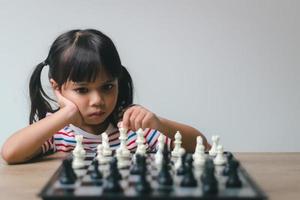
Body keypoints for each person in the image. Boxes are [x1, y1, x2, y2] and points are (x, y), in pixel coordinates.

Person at [1, 29, 210, 164]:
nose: (97, 100)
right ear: (57, 88)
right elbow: (10, 153)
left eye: (107, 86)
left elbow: (203, 146)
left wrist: (158, 123)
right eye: (82, 90)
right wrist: (68, 113)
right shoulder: (57, 132)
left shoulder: (132, 129)